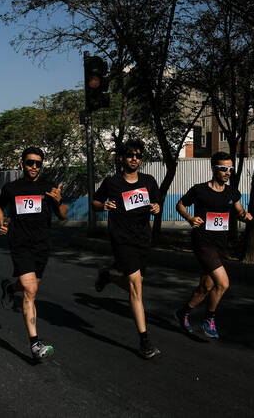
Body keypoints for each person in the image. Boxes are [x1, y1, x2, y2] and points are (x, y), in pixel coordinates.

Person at [0, 147, 67, 360]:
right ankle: (35, 343)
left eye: (38, 163)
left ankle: (9, 287)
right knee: (30, 289)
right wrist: (1, 222)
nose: (34, 166)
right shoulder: (11, 188)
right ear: (22, 163)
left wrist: (59, 200)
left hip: (42, 246)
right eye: (30, 162)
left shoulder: (48, 188)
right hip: (20, 244)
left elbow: (63, 216)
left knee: (30, 287)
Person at [92, 140, 162, 359]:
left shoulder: (149, 181)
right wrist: (103, 206)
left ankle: (109, 277)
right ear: (122, 158)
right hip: (121, 239)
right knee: (135, 286)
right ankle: (144, 341)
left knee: (137, 282)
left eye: (139, 155)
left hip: (142, 239)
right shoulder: (112, 183)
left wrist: (156, 208)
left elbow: (157, 204)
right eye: (131, 155)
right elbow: (95, 201)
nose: (135, 159)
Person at [174, 151, 253, 339]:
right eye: (223, 168)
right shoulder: (200, 190)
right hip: (203, 242)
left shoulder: (232, 192)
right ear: (213, 168)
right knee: (223, 283)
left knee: (206, 287)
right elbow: (180, 205)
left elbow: (239, 209)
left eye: (230, 169)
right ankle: (209, 319)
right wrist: (190, 218)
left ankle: (183, 312)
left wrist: (244, 215)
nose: (228, 172)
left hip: (220, 244)